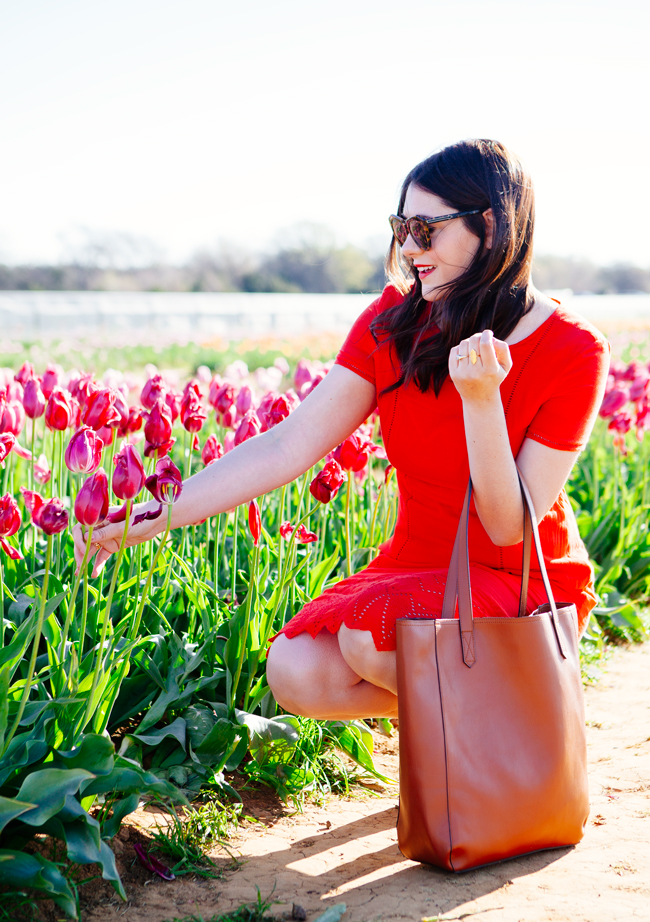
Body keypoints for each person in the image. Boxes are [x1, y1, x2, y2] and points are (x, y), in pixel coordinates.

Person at [76, 139, 609, 725]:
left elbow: (509, 528)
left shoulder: (571, 349)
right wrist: (160, 515)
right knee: (296, 670)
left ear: (489, 224)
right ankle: (478, 729)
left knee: (371, 637)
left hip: (517, 577)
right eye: (401, 227)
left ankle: (502, 725)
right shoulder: (394, 322)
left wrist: (481, 401)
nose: (408, 248)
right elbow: (288, 443)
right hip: (416, 564)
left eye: (426, 230)